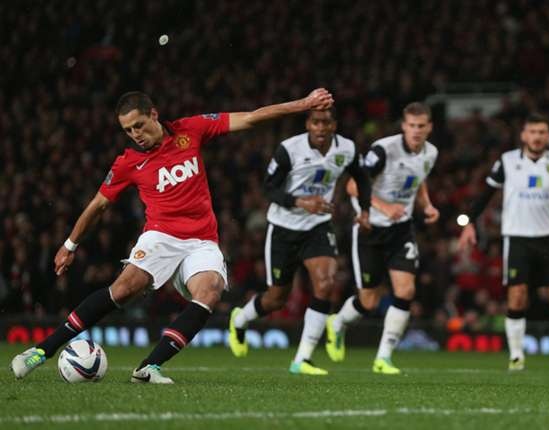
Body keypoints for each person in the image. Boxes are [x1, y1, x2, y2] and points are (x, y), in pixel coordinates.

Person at [10, 88, 334, 384]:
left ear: (153, 114)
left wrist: (303, 104)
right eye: (127, 130)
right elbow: (98, 205)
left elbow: (250, 118)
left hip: (202, 240)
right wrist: (70, 245)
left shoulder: (190, 130)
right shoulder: (128, 162)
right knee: (123, 289)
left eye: (138, 125)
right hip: (160, 236)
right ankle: (41, 351)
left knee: (210, 291)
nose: (135, 135)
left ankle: (149, 367)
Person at [228, 108, 372, 375]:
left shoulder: (347, 149)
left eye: (326, 122)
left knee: (325, 283)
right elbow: (268, 188)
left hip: (317, 226)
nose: (320, 128)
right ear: (308, 124)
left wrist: (364, 210)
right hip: (283, 228)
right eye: (315, 122)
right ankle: (241, 319)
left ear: (334, 125)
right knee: (275, 299)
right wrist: (301, 202)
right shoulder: (289, 149)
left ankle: (302, 359)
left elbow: (362, 178)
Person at [457, 113, 549, 373]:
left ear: (548, 136)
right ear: (523, 135)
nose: (537, 137)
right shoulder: (508, 162)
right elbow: (485, 194)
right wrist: (469, 223)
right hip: (517, 238)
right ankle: (516, 356)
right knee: (517, 296)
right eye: (532, 132)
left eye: (542, 132)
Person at [324, 102, 440, 374]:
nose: (416, 131)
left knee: (406, 291)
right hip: (370, 229)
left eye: (421, 126)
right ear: (404, 126)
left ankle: (383, 357)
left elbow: (419, 179)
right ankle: (338, 323)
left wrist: (427, 205)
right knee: (369, 301)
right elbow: (353, 185)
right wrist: (384, 207)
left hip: (401, 229)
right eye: (412, 126)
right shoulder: (383, 150)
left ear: (429, 128)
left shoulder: (431, 153)